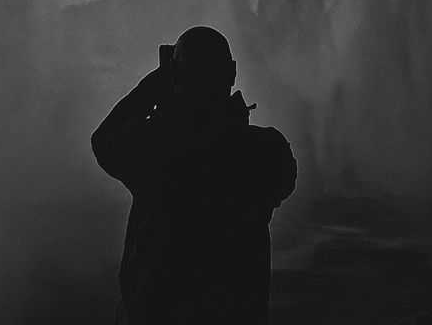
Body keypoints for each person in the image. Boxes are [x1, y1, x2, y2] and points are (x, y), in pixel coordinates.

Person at [92, 26, 297, 325]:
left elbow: (103, 140)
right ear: (232, 73)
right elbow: (283, 180)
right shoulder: (265, 150)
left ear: (175, 75)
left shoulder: (150, 145)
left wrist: (155, 85)